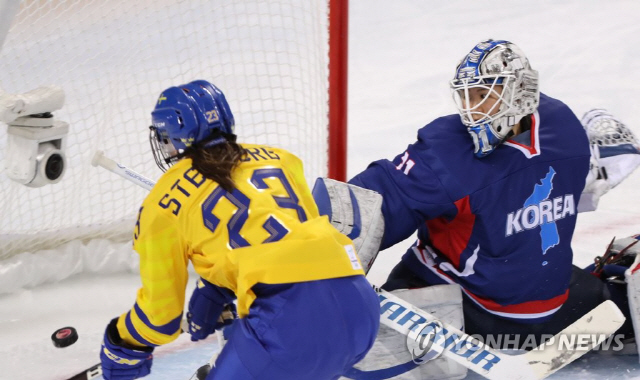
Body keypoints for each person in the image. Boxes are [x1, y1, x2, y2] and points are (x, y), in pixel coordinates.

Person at [345, 39, 636, 348]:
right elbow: (371, 205)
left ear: (521, 92)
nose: (473, 110)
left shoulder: (454, 153)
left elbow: (363, 209)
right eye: (467, 96)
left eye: (484, 95)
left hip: (477, 314)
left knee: (363, 339)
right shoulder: (562, 128)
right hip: (527, 310)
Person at [98, 80, 380, 380]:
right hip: (360, 307)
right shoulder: (283, 160)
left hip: (288, 332)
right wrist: (215, 286)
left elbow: (160, 319)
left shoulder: (161, 205)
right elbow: (289, 240)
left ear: (176, 136)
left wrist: (120, 340)